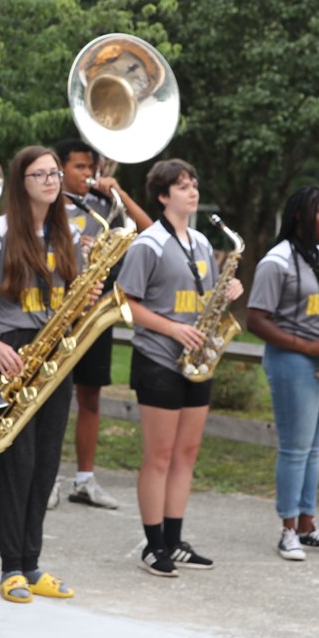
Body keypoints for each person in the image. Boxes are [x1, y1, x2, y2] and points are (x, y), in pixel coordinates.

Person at [115, 158, 241, 576]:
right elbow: (125, 304)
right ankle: (153, 546)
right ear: (164, 195)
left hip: (196, 361)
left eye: (195, 183)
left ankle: (175, 539)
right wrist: (171, 328)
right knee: (160, 455)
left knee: (186, 454)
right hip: (157, 359)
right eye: (183, 186)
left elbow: (204, 301)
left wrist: (228, 293)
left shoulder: (203, 244)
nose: (193, 190)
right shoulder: (148, 244)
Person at [0, 146, 82, 603]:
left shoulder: (65, 233)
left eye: (55, 172)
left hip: (56, 350)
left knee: (46, 462)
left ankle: (33, 562)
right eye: (40, 174)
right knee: (16, 462)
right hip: (13, 352)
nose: (51, 180)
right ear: (21, 182)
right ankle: (10, 567)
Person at [246, 186, 319, 562]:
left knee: (314, 450)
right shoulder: (276, 261)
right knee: (294, 450)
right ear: (299, 216)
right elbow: (255, 320)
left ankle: (308, 526)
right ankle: (288, 530)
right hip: (294, 361)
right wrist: (307, 346)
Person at [54, 138, 150, 510]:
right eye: (79, 167)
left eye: (91, 168)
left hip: (95, 315)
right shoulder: (47, 206)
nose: (88, 174)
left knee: (90, 397)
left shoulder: (103, 206)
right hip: (56, 314)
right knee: (51, 399)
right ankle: (47, 476)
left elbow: (150, 231)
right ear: (60, 168)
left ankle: (85, 479)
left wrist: (120, 194)